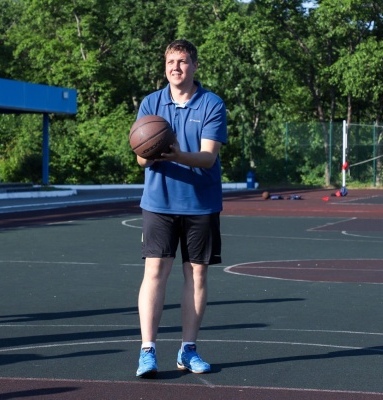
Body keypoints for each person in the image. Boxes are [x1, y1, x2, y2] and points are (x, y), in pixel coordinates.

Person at [134, 39, 227, 378]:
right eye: (171, 62)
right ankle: (147, 351)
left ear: (194, 66)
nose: (176, 67)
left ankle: (188, 349)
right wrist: (150, 151)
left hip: (200, 203)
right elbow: (141, 157)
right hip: (159, 202)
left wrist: (176, 155)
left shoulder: (211, 103)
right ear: (165, 67)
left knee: (197, 274)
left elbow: (208, 157)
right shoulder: (151, 103)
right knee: (155, 272)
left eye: (183, 61)